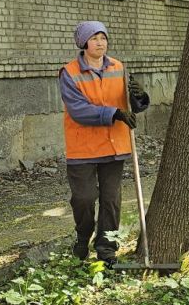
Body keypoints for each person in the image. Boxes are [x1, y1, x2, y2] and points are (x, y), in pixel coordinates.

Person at [59, 21, 150, 267]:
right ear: (83, 43)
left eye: (103, 38)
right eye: (94, 38)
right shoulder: (69, 73)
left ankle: (107, 250)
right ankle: (82, 237)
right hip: (83, 149)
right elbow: (79, 110)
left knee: (111, 200)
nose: (100, 43)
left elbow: (132, 105)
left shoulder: (119, 67)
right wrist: (114, 113)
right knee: (84, 199)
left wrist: (140, 96)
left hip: (114, 146)